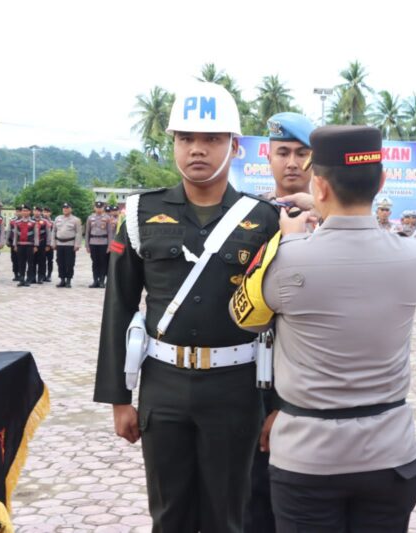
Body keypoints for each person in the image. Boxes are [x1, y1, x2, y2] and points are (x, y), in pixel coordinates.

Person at [93, 80, 279, 533]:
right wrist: (119, 398)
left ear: (234, 146)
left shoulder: (263, 219)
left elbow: (280, 321)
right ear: (172, 143)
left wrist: (276, 405)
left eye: (212, 139)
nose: (198, 150)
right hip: (164, 389)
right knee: (169, 516)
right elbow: (118, 309)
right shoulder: (138, 214)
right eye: (186, 138)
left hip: (237, 390)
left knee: (227, 517)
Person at [230, 125, 416, 532]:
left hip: (309, 459)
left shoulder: (288, 258)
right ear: (383, 181)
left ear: (318, 185)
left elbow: (242, 314)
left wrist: (284, 242)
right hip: (390, 455)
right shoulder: (412, 255)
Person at [246, 110, 315, 533]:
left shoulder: (333, 224)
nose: (292, 162)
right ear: (268, 157)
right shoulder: (245, 218)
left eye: (303, 154)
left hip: (310, 386)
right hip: (249, 379)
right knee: (254, 502)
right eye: (283, 152)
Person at [265, 111, 315, 199]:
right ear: (269, 159)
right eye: (283, 154)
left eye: (301, 154)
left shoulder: (329, 211)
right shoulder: (252, 210)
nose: (292, 164)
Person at [52, 202, 82, 288]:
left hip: (70, 244)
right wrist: (53, 243)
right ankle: (62, 279)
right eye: (64, 208)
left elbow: (78, 233)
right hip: (59, 244)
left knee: (69, 263)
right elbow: (53, 231)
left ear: (71, 209)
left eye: (67, 208)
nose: (65, 209)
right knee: (60, 262)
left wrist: (77, 244)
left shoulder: (76, 220)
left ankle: (68, 280)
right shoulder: (58, 218)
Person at [85, 201, 114, 288]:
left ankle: (102, 281)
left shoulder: (107, 218)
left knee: (103, 262)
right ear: (94, 208)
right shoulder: (90, 218)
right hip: (93, 242)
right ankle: (95, 281)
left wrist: (109, 246)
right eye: (97, 207)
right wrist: (87, 245)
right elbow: (87, 232)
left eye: (100, 207)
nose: (98, 209)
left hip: (103, 243)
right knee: (95, 262)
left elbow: (110, 233)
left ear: (103, 208)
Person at [13, 204, 39, 287]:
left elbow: (36, 235)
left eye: (26, 211)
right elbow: (15, 235)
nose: (25, 212)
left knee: (30, 263)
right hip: (20, 245)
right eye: (23, 210)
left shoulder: (33, 222)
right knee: (21, 263)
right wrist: (15, 245)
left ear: (30, 212)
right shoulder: (17, 222)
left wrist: (36, 245)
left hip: (30, 245)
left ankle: (29, 279)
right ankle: (21, 279)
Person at [33, 206, 53, 284]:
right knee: (33, 261)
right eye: (35, 210)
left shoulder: (45, 222)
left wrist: (48, 244)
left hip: (42, 243)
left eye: (38, 211)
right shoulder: (31, 220)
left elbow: (48, 234)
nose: (37, 212)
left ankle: (42, 276)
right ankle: (32, 277)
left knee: (42, 260)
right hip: (33, 243)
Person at [43, 207, 55, 280]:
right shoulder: (40, 221)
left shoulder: (53, 223)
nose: (46, 214)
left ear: (50, 213)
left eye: (47, 212)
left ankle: (49, 275)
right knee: (42, 260)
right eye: (44, 212)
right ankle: (43, 274)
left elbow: (54, 233)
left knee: (50, 260)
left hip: (50, 244)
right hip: (42, 243)